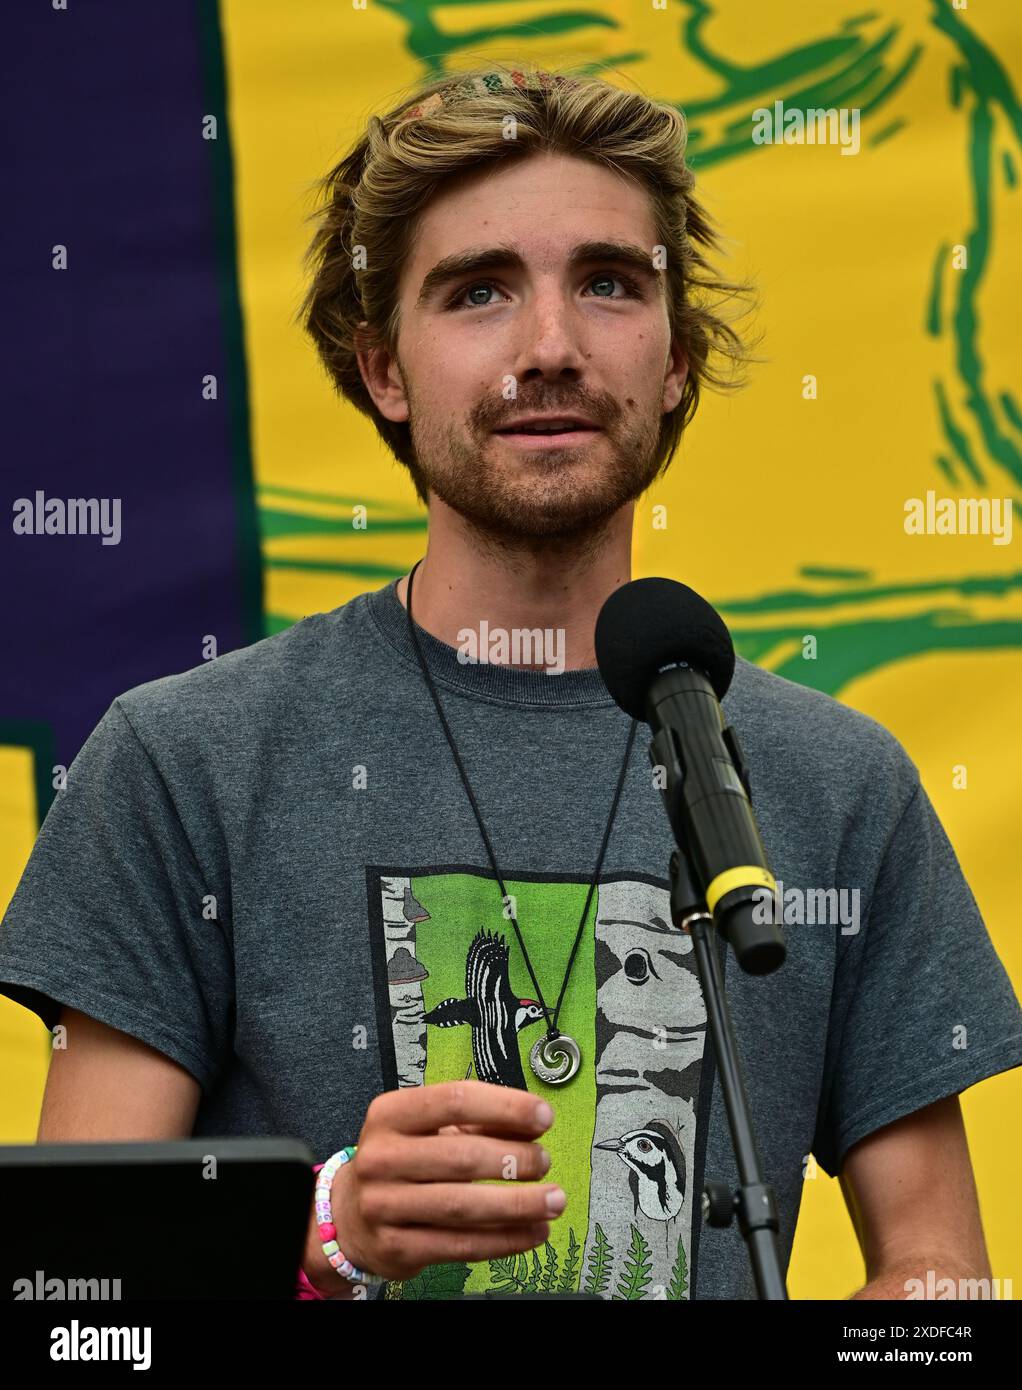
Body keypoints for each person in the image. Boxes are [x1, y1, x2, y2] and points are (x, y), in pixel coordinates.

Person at [1, 65, 1020, 1303]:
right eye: (478, 291)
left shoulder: (838, 781)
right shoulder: (184, 759)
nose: (549, 347)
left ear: (678, 355)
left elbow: (938, 1276)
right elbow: (72, 1297)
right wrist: (326, 1231)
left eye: (606, 283)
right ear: (382, 369)